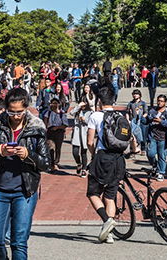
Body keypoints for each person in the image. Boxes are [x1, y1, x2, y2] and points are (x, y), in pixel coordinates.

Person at [0, 87, 49, 260]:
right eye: (11, 112)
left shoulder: (36, 127)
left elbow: (46, 164)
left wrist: (28, 155)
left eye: (19, 112)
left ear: (26, 108)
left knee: (19, 242)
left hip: (24, 192)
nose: (16, 116)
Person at [86, 87, 125, 244]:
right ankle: (109, 234)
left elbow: (90, 141)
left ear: (100, 101)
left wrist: (93, 154)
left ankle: (107, 221)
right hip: (119, 159)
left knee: (93, 193)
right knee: (110, 196)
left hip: (103, 158)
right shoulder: (120, 116)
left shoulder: (95, 116)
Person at [143, 94, 167, 181]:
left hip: (163, 138)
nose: (159, 103)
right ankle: (154, 165)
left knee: (162, 156)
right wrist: (141, 116)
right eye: (158, 101)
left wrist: (161, 121)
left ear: (165, 102)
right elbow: (146, 121)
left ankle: (161, 172)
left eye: (161, 101)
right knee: (150, 153)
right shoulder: (152, 111)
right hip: (152, 136)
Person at [42, 97, 68, 172]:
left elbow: (65, 124)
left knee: (58, 148)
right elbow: (45, 122)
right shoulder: (48, 113)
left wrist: (57, 127)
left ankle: (56, 161)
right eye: (52, 103)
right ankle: (52, 163)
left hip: (59, 132)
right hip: (50, 131)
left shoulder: (62, 113)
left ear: (58, 104)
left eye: (55, 103)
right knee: (51, 147)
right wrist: (45, 129)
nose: (53, 105)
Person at [71, 99, 92, 178]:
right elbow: (71, 113)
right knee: (75, 152)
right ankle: (79, 163)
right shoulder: (77, 111)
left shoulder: (90, 112)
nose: (83, 105)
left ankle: (84, 169)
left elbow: (91, 123)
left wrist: (84, 120)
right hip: (76, 133)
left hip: (84, 133)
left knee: (83, 152)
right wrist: (78, 106)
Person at [125, 89, 147, 155]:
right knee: (132, 136)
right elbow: (127, 112)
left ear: (139, 95)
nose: (135, 95)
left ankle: (143, 149)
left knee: (142, 135)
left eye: (136, 94)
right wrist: (128, 120)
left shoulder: (143, 103)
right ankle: (132, 150)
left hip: (141, 122)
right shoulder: (130, 103)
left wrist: (142, 118)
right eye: (134, 94)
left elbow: (146, 112)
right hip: (133, 122)